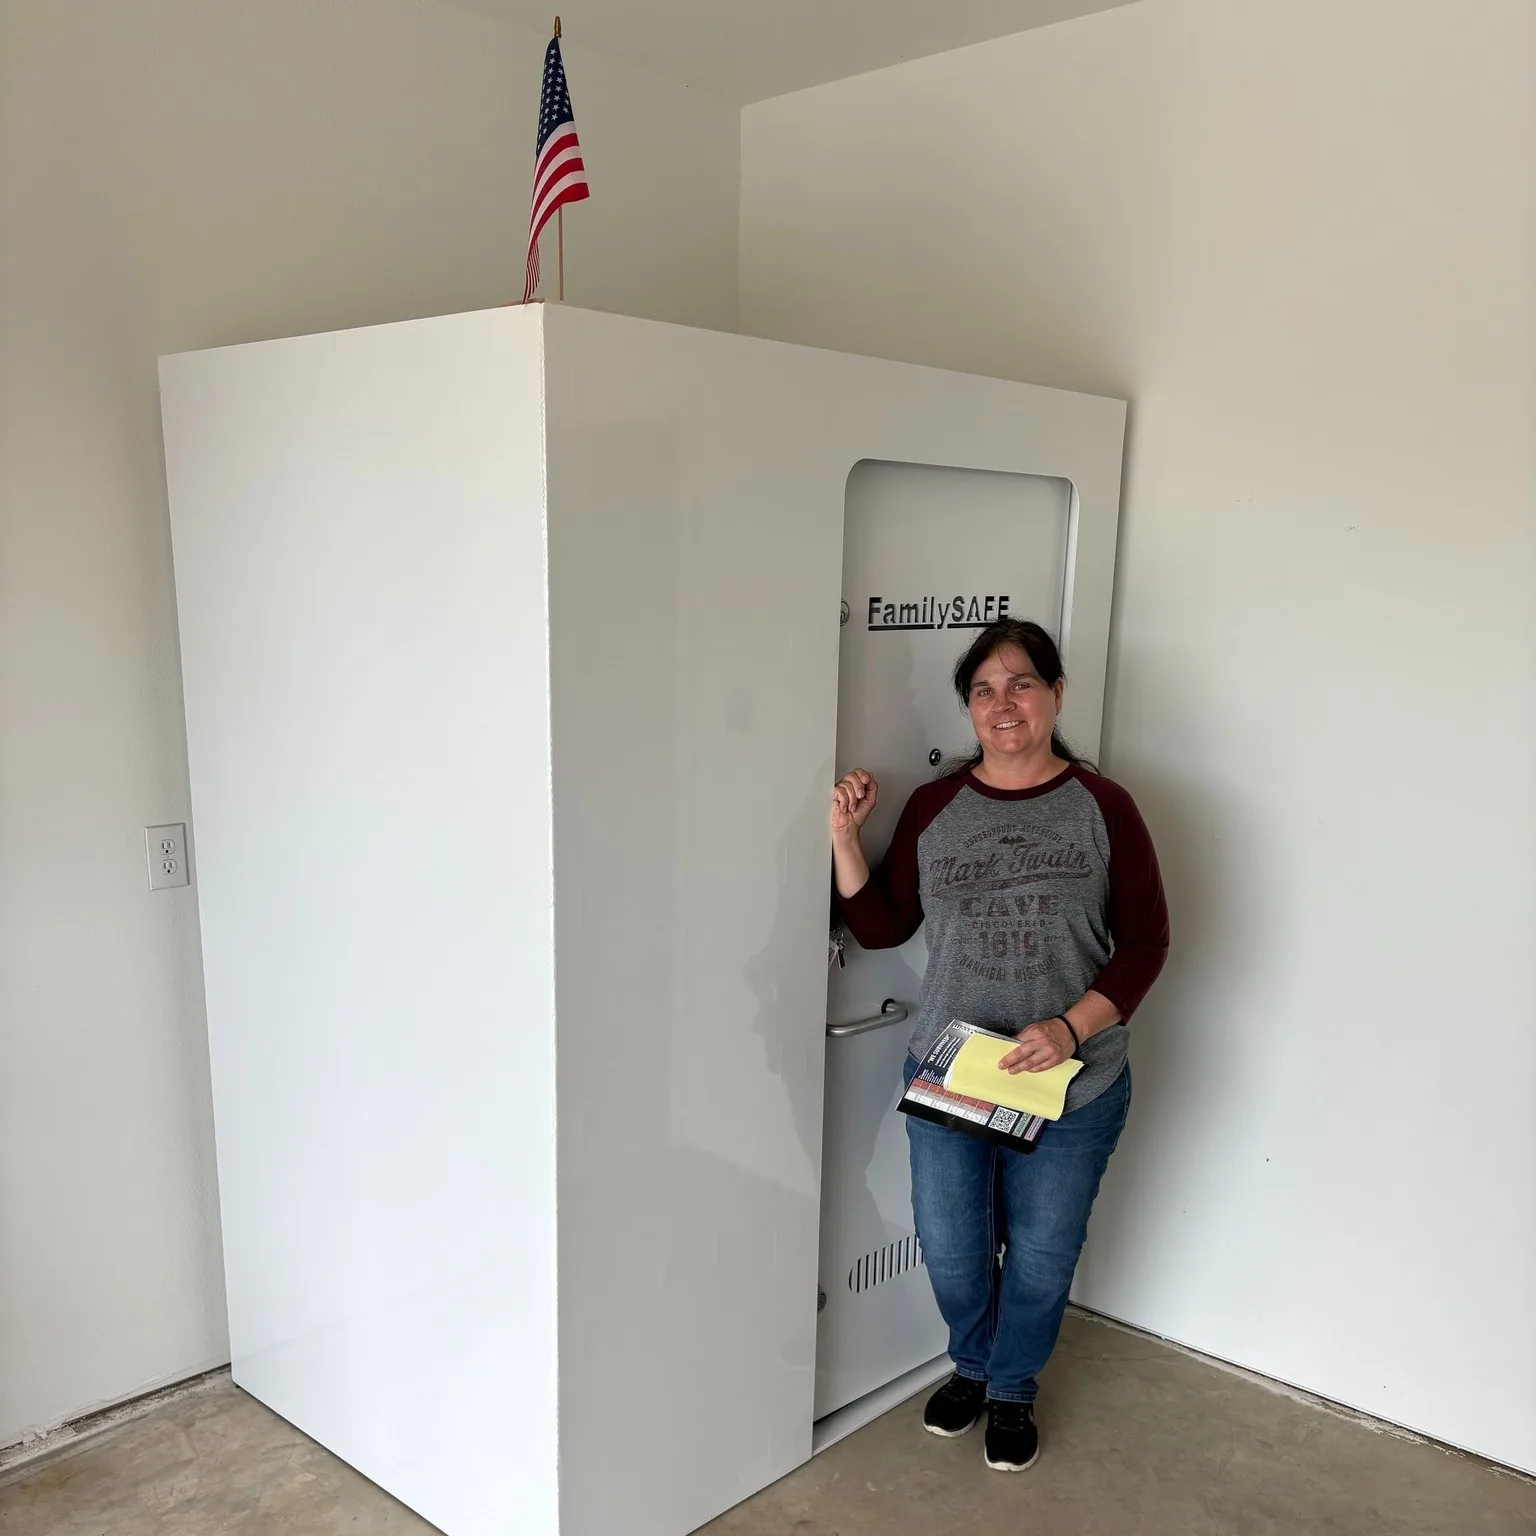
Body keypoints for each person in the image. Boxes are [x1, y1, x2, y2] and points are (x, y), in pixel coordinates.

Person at [830, 617, 1169, 1473]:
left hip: (1071, 1084)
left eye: (1021, 683)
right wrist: (844, 838)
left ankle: (1011, 1385)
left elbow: (1147, 943)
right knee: (951, 1249)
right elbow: (882, 925)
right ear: (969, 710)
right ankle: (973, 1364)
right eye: (983, 689)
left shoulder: (1104, 808)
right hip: (954, 1078)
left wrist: (1067, 1029)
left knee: (1044, 1256)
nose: (1002, 703)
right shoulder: (937, 808)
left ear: (1056, 694)